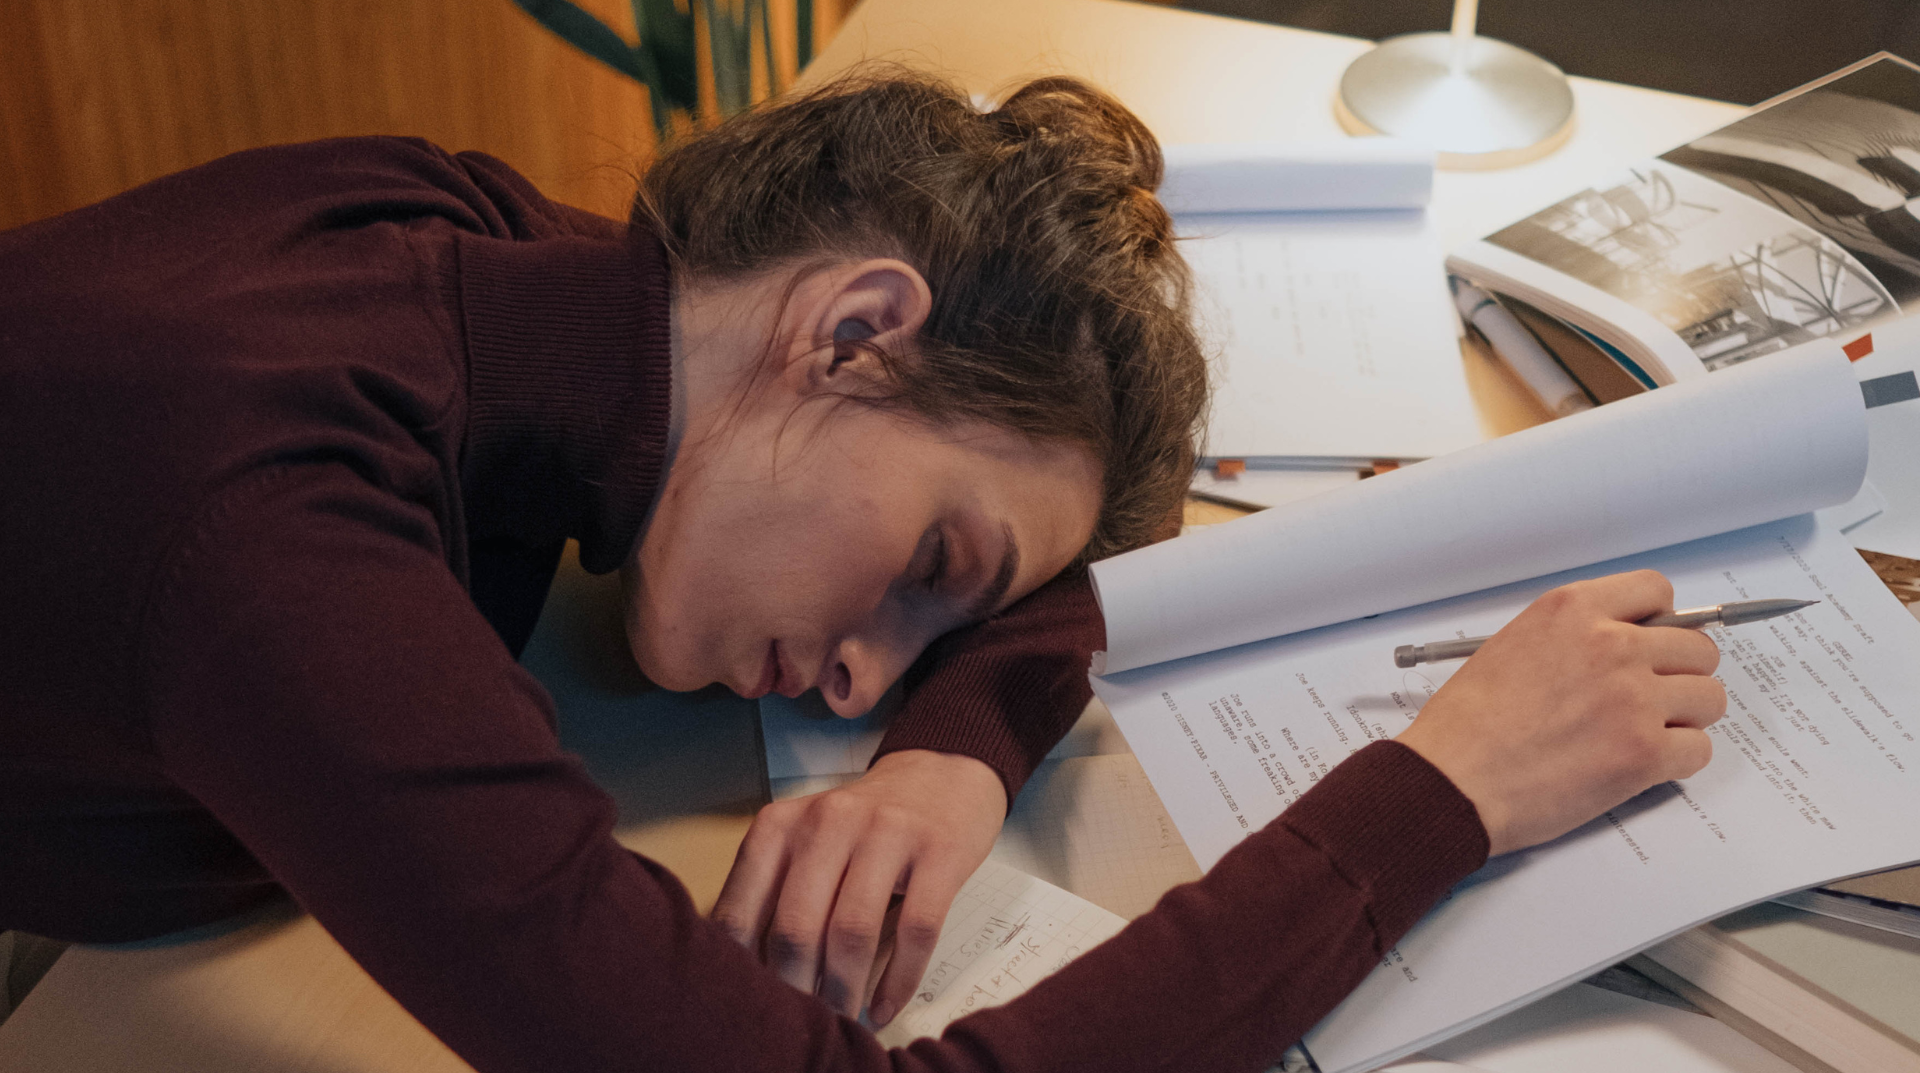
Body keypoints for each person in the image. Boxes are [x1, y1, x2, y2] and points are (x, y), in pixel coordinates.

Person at [0, 69, 1725, 1071]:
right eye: (928, 569)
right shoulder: (270, 533)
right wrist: (1442, 794)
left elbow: (1059, 573)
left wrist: (948, 756)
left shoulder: (493, 268)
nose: (852, 675)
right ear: (852, 328)